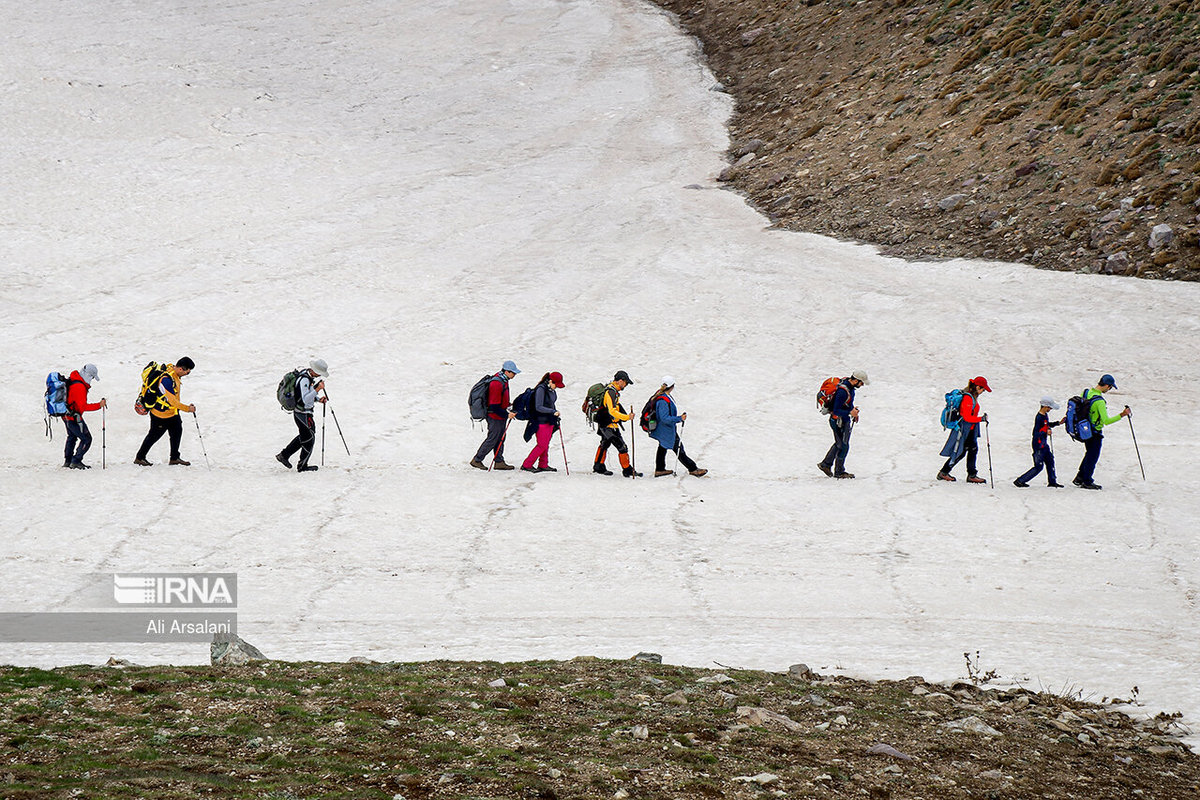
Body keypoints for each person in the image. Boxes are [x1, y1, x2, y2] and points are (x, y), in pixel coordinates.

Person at [134, 357, 196, 466]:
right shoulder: (166, 380)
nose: (187, 374)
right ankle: (140, 457)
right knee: (153, 436)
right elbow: (172, 401)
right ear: (181, 369)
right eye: (187, 372)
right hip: (160, 415)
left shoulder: (172, 371)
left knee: (177, 432)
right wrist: (187, 409)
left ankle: (174, 458)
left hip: (172, 413)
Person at [1073, 374, 1130, 490]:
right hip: (1095, 432)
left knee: (1089, 454)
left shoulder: (1086, 392)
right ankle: (1087, 481)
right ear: (1107, 386)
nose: (1109, 390)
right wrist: (1122, 414)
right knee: (1093, 456)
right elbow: (1106, 421)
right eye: (1110, 388)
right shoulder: (1100, 402)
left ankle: (1079, 477)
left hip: (1084, 429)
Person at [277, 359, 329, 473]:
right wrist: (318, 389)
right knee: (309, 438)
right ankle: (302, 466)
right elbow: (305, 399)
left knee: (305, 436)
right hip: (302, 413)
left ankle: (284, 455)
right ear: (315, 371)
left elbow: (306, 395)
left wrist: (318, 399)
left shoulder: (307, 377)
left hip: (305, 413)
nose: (320, 375)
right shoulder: (304, 379)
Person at [648, 377, 707, 478]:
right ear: (672, 387)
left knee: (662, 447)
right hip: (666, 430)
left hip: (663, 429)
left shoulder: (661, 396)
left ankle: (660, 469)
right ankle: (693, 468)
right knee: (679, 449)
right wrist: (679, 418)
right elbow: (665, 418)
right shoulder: (663, 400)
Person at [937, 376, 990, 484]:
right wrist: (981, 419)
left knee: (972, 449)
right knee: (961, 451)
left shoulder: (972, 397)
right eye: (983, 389)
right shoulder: (968, 399)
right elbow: (966, 417)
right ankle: (945, 472)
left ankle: (971, 474)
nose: (983, 391)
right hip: (964, 429)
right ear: (977, 387)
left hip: (970, 429)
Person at [817, 370, 868, 479]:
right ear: (855, 380)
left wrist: (852, 411)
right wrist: (850, 412)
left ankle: (826, 464)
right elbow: (836, 410)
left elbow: (847, 404)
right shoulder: (842, 391)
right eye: (861, 382)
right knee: (843, 446)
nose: (862, 385)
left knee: (839, 444)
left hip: (842, 420)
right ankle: (839, 471)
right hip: (838, 421)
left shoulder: (849, 388)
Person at [471, 360, 519, 470]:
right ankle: (477, 459)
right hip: (495, 416)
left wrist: (508, 406)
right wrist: (507, 415)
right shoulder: (497, 383)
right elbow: (494, 406)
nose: (515, 375)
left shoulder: (504, 380)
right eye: (513, 373)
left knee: (501, 437)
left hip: (500, 415)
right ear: (507, 371)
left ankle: (499, 461)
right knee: (493, 438)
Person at [593, 370, 640, 477]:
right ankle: (627, 469)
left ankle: (598, 466)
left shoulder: (613, 391)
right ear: (620, 381)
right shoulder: (611, 392)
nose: (626, 385)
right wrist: (627, 417)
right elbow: (612, 411)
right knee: (622, 447)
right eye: (626, 382)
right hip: (608, 426)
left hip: (606, 424)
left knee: (605, 444)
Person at [61, 363, 107, 469]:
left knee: (72, 437)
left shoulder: (74, 380)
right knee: (87, 439)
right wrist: (99, 405)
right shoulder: (79, 386)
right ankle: (76, 461)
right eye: (92, 377)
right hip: (74, 417)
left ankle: (68, 461)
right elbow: (82, 407)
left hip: (66, 416)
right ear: (89, 375)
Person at [1013, 396, 1064, 488]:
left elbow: (1046, 425)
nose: (1050, 409)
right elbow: (1036, 432)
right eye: (1049, 407)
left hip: (1044, 444)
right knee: (1038, 466)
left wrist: (1058, 423)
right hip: (1038, 445)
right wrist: (1045, 431)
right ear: (1045, 406)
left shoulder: (1044, 416)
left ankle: (1052, 481)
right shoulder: (1039, 417)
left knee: (1050, 461)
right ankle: (1020, 481)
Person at [520, 372, 565, 473]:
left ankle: (543, 464)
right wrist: (553, 411)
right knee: (541, 445)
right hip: (540, 421)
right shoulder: (541, 389)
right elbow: (538, 406)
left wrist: (554, 413)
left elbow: (551, 404)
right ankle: (527, 464)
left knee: (545, 443)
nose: (556, 387)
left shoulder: (551, 390)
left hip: (549, 420)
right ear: (550, 381)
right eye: (556, 385)